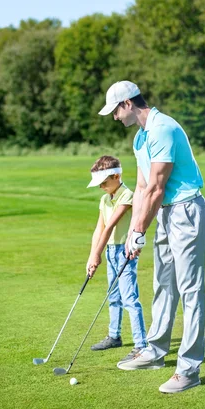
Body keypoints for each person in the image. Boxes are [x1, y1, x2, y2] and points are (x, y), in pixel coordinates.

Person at [95, 80, 205, 394]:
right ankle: (155, 351)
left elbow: (158, 187)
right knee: (163, 285)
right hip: (166, 213)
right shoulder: (141, 138)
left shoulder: (162, 130)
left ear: (128, 103)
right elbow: (143, 188)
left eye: (116, 111)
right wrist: (134, 232)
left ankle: (189, 370)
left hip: (186, 210)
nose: (115, 117)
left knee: (190, 290)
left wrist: (140, 229)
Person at [86, 155, 147, 364]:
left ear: (116, 176)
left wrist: (97, 254)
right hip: (110, 250)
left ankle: (141, 345)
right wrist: (91, 256)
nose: (101, 187)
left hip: (124, 251)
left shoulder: (127, 195)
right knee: (113, 296)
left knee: (130, 298)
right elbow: (99, 229)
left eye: (104, 182)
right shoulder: (105, 199)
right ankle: (114, 336)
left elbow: (111, 225)